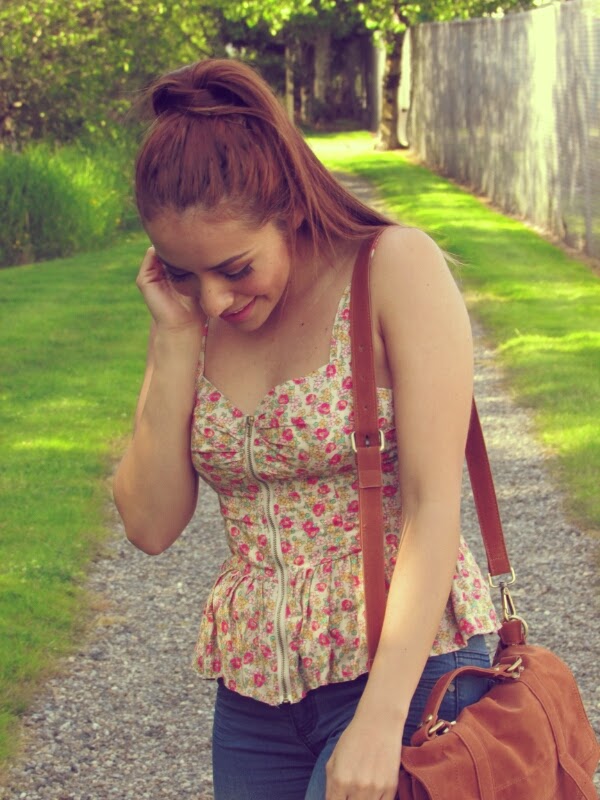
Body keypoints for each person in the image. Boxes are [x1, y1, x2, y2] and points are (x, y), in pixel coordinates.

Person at [113, 58, 498, 800]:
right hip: (257, 691)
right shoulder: (196, 317)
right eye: (184, 272)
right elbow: (150, 525)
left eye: (235, 268)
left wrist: (381, 721)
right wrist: (173, 336)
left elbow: (431, 508)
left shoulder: (391, 268)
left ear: (288, 206)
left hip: (406, 667)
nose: (215, 299)